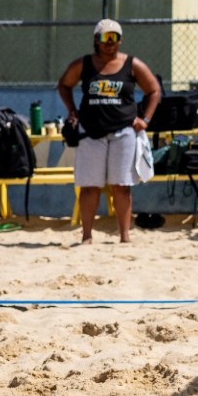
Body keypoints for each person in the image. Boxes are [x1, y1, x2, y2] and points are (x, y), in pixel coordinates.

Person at [55, 19, 160, 245]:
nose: (110, 43)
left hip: (123, 131)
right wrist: (72, 110)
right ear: (96, 39)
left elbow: (154, 90)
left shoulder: (132, 64)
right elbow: (64, 84)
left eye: (114, 38)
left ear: (120, 40)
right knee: (90, 186)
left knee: (121, 186)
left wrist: (146, 119)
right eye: (105, 37)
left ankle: (124, 236)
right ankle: (87, 236)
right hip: (90, 132)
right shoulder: (83, 64)